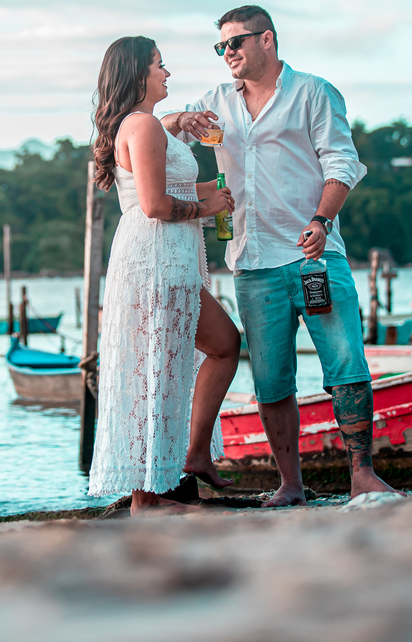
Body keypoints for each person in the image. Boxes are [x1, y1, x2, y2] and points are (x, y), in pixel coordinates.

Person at [161, 5, 400, 506]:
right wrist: (182, 117)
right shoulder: (216, 102)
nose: (228, 53)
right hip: (252, 264)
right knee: (271, 381)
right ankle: (291, 484)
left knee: (345, 363)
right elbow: (160, 134)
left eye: (236, 42)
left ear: (266, 39)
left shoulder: (314, 92)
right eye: (221, 46)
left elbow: (343, 162)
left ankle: (362, 474)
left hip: (314, 254)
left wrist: (322, 220)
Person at [87, 36, 241, 516]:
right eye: (160, 65)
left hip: (163, 259)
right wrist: (205, 205)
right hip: (154, 258)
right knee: (159, 365)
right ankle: (147, 499)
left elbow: (161, 188)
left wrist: (208, 193)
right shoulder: (144, 126)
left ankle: (189, 460)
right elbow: (154, 205)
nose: (168, 73)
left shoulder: (146, 126)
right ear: (138, 75)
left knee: (211, 349)